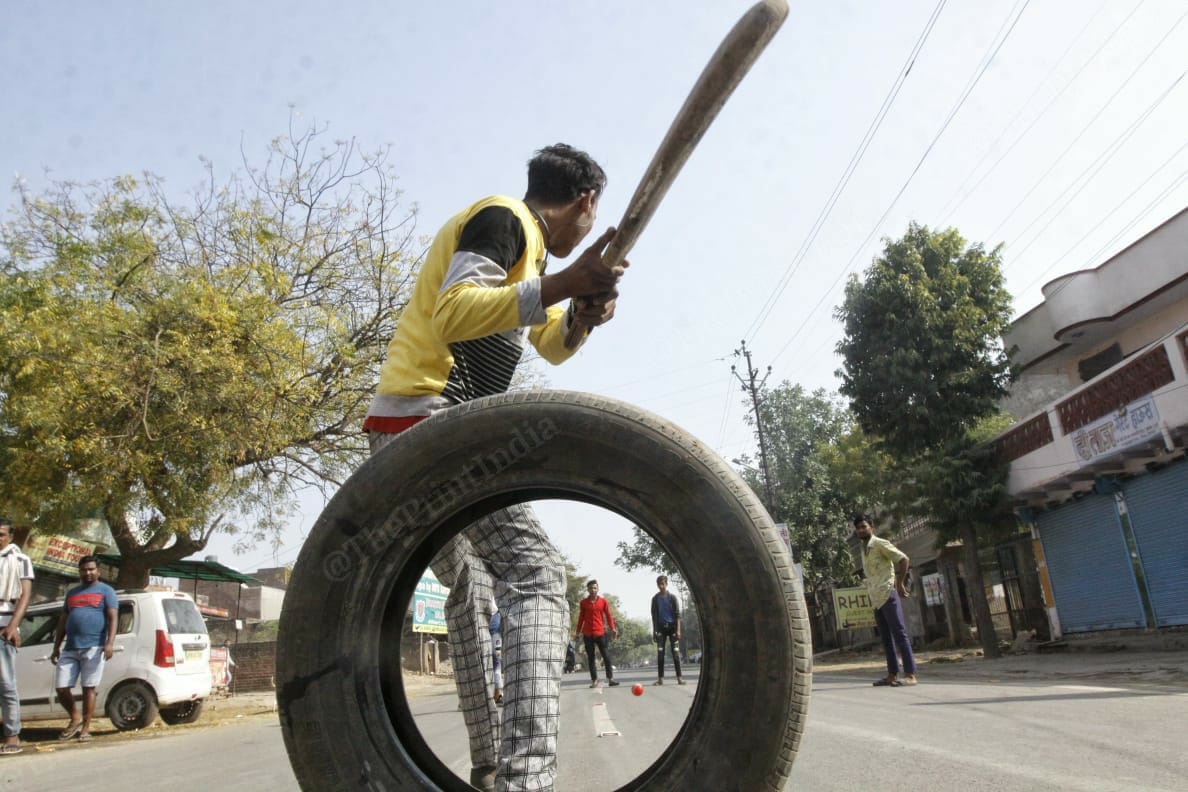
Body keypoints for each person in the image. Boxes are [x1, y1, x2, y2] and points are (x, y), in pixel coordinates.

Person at [363, 144, 624, 792]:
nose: (589, 229)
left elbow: (550, 344)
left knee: (472, 591)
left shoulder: (528, 254)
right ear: (585, 203)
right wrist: (567, 284)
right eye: (593, 216)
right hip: (434, 418)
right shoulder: (504, 219)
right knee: (535, 576)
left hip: (398, 429)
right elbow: (455, 309)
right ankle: (526, 781)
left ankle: (488, 770)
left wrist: (582, 315)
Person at [50, 555, 119, 741]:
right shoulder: (72, 593)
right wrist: (56, 647)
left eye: (91, 569)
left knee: (88, 687)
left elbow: (113, 618)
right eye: (84, 570)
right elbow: (63, 620)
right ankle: (75, 716)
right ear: (79, 571)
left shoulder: (107, 591)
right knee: (62, 687)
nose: (87, 573)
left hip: (95, 647)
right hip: (71, 647)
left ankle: (86, 729)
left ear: (98, 571)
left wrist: (109, 642)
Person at [854, 514, 918, 687]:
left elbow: (904, 559)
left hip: (888, 593)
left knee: (899, 633)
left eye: (864, 526)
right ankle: (892, 674)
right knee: (885, 638)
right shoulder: (864, 548)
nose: (861, 530)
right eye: (858, 528)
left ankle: (910, 674)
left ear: (871, 527)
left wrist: (900, 583)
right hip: (876, 598)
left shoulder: (880, 543)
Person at [0, 518, 34, 756]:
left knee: (6, 684)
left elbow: (25, 596)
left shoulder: (20, 560)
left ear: (10, 537)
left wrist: (13, 626)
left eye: (1, 534)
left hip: (4, 626)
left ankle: (12, 735)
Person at [574, 579, 620, 689]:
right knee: (591, 658)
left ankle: (610, 679)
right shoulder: (584, 603)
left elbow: (608, 615)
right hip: (588, 634)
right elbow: (581, 618)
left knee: (606, 656)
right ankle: (594, 680)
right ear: (588, 590)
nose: (593, 590)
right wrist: (577, 632)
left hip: (600, 633)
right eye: (591, 588)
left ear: (597, 589)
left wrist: (612, 628)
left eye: (595, 588)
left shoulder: (603, 601)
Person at [650, 575, 685, 685]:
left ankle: (679, 678)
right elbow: (654, 616)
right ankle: (660, 679)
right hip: (661, 628)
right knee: (660, 653)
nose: (661, 586)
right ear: (657, 585)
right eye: (659, 584)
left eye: (663, 583)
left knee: (675, 653)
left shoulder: (672, 598)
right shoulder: (655, 599)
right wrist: (654, 631)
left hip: (672, 628)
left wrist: (678, 630)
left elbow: (678, 615)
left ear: (666, 584)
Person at [489, 606, 503, 705]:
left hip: (495, 637)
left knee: (496, 665)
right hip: (496, 640)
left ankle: (498, 694)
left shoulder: (494, 616)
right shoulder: (499, 616)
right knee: (496, 667)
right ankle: (498, 695)